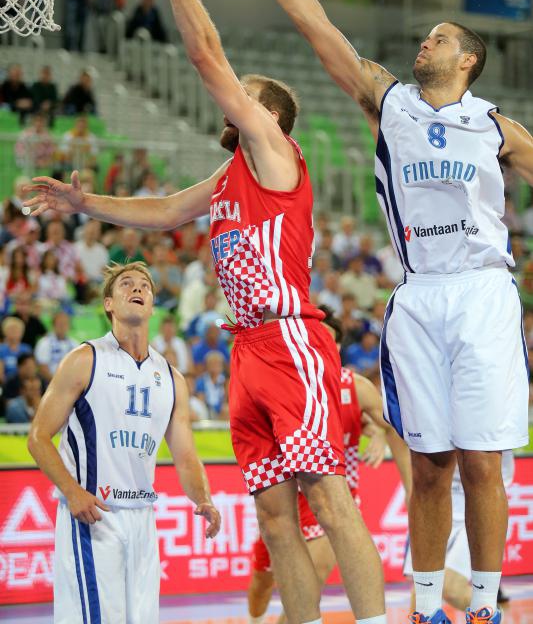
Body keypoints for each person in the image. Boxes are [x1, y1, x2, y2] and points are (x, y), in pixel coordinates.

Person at [23, 0, 387, 624]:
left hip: (288, 339)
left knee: (329, 498)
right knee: (276, 519)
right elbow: (160, 212)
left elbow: (205, 57)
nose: (233, 95)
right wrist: (81, 198)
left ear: (266, 116)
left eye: (245, 93)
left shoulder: (276, 155)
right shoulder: (226, 180)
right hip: (246, 347)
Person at [208, 0, 531, 624]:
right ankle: (422, 608)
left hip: (481, 290)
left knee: (481, 462)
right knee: (429, 467)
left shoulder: (494, 126)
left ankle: (481, 605)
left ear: (468, 59)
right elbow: (315, 26)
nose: (425, 44)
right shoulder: (391, 103)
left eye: (440, 38)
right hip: (417, 294)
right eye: (424, 36)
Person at [28, 261, 221, 622]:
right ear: (109, 304)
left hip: (142, 517)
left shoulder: (171, 376)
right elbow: (38, 437)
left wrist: (204, 497)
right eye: (126, 284)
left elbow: (185, 456)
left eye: (144, 286)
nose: (137, 289)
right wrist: (72, 492)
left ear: (151, 305)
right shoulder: (85, 359)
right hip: (94, 514)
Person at [247, 306, 411, 624]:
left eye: (334, 342)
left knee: (314, 579)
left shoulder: (355, 386)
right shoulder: (280, 382)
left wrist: (379, 434)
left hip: (335, 492)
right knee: (260, 588)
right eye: (320, 339)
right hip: (284, 498)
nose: (328, 347)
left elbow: (389, 425)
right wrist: (373, 430)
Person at [404, 451, 515, 612]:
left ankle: (493, 614)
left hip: (480, 502)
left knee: (451, 589)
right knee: (422, 595)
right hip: (438, 501)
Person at [34, 310, 77, 381]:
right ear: (53, 325)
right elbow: (42, 368)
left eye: (65, 323)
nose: (62, 326)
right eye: (59, 323)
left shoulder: (74, 343)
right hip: (50, 383)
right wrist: (56, 384)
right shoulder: (44, 343)